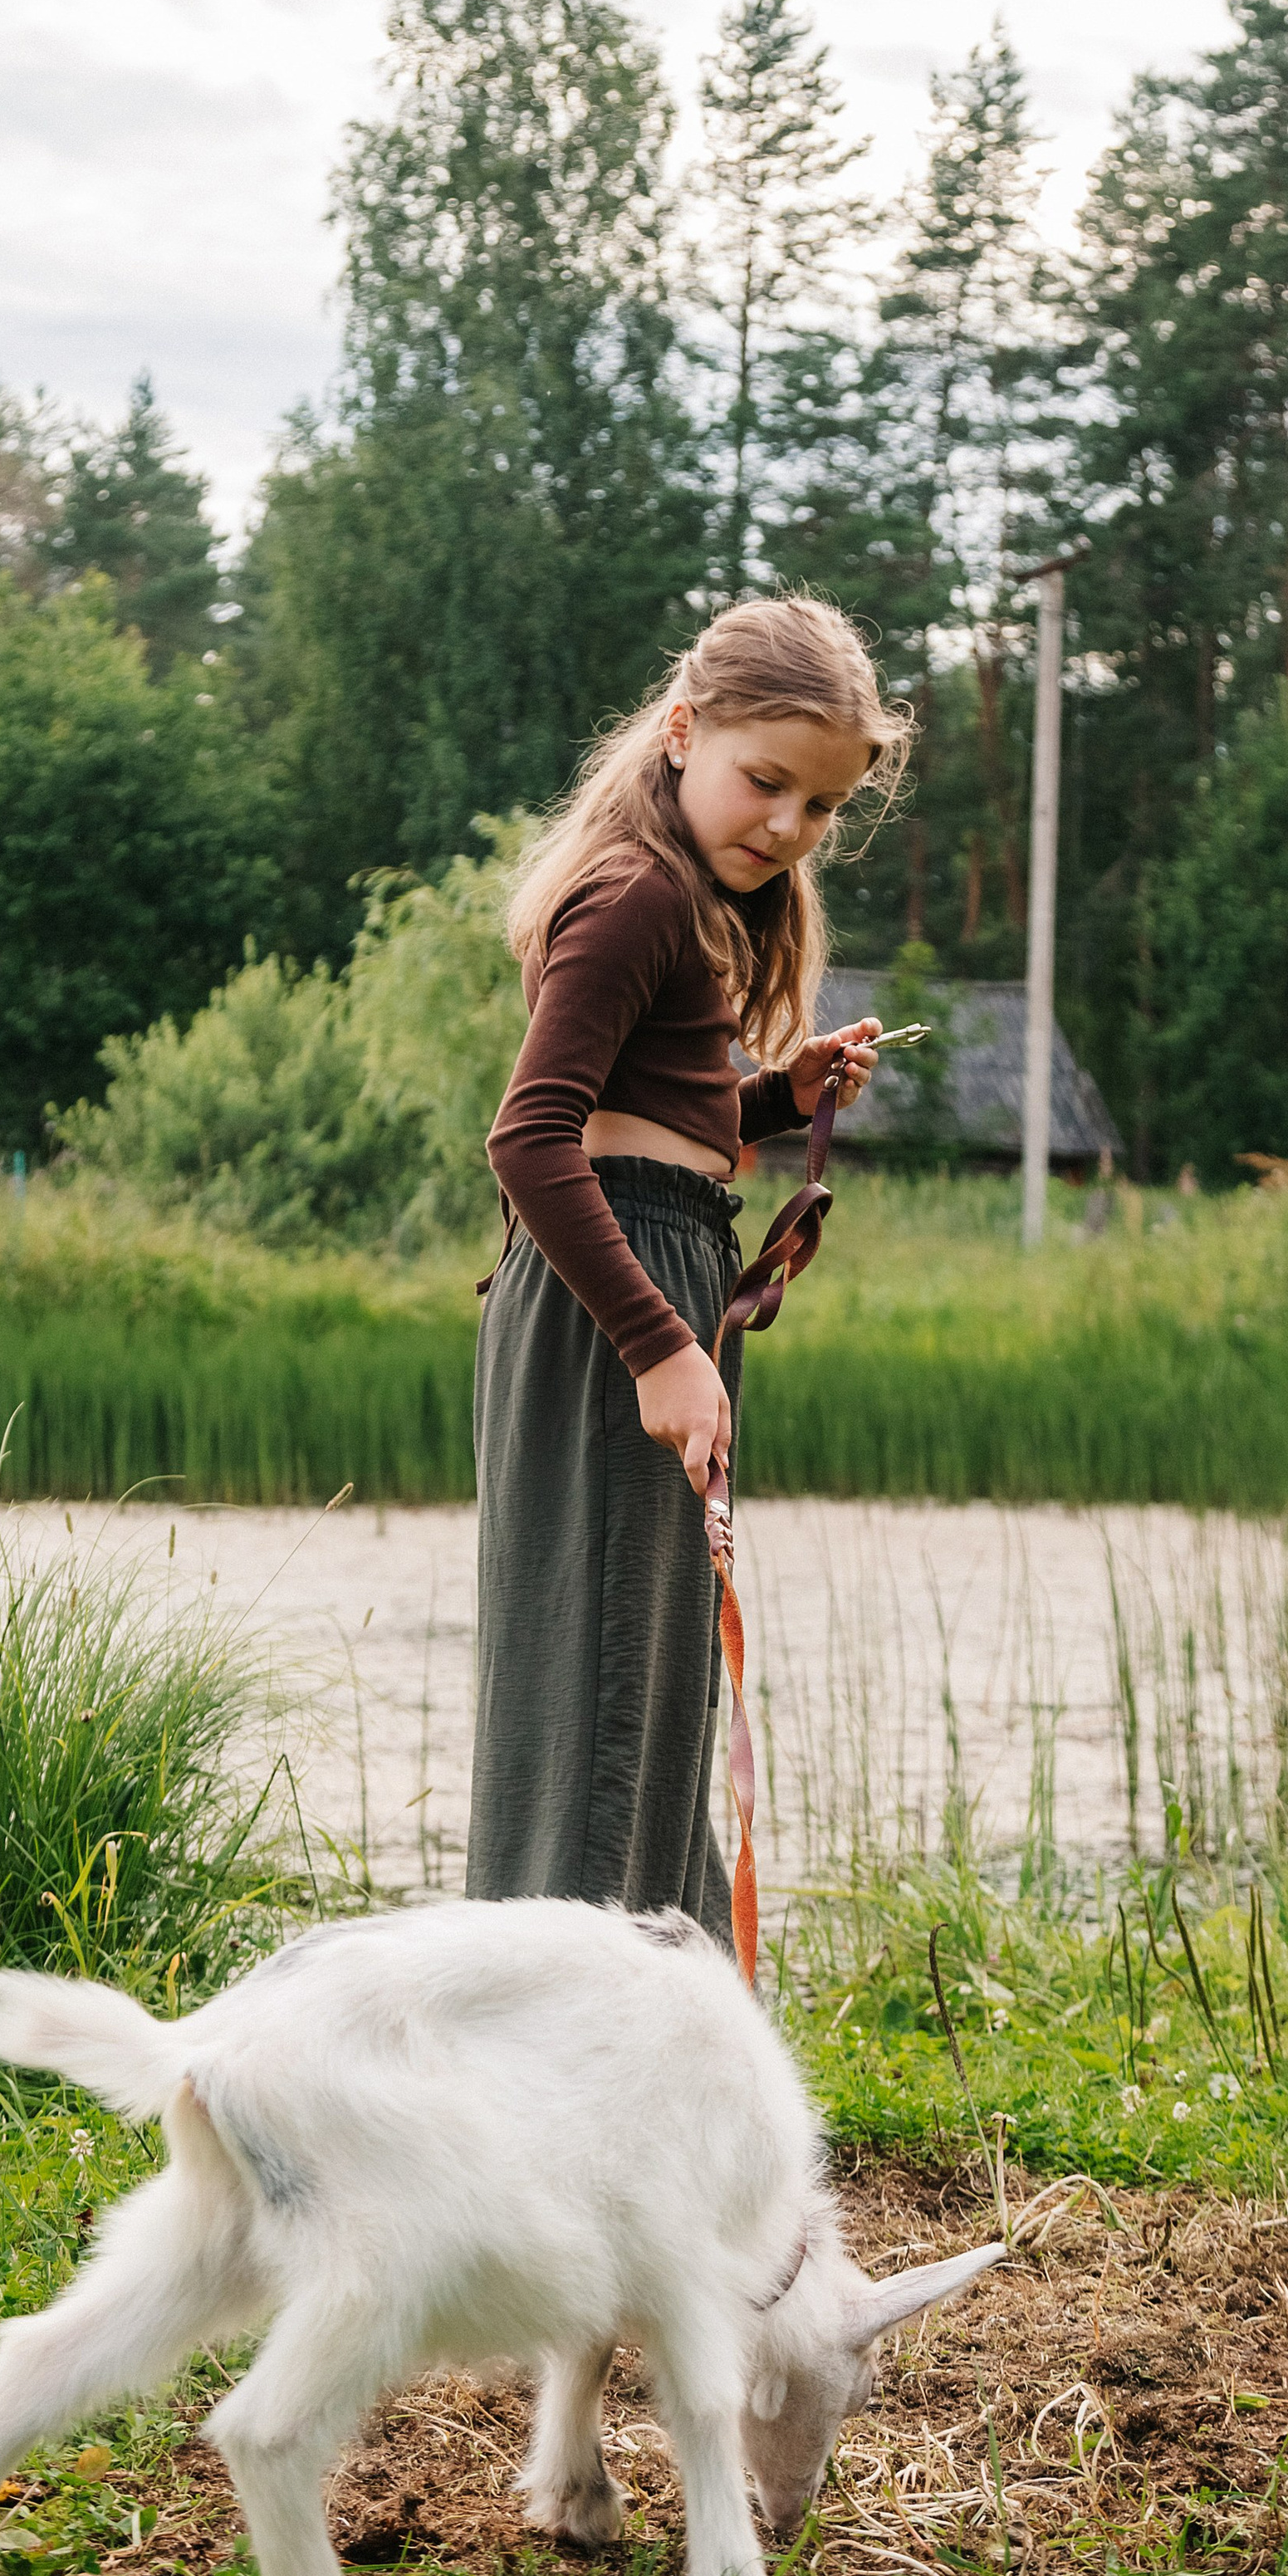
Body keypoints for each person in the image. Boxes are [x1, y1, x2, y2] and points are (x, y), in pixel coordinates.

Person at [467, 595, 913, 1943]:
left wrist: (777, 1097)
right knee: (605, 1690)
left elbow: (651, 1119)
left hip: (653, 1261)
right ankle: (563, 2030)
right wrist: (661, 1344)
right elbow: (532, 1139)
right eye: (765, 780)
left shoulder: (681, 900)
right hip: (620, 1296)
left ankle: (660, 2018)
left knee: (646, 1693)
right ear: (681, 731)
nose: (787, 826)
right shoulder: (639, 894)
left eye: (822, 806)